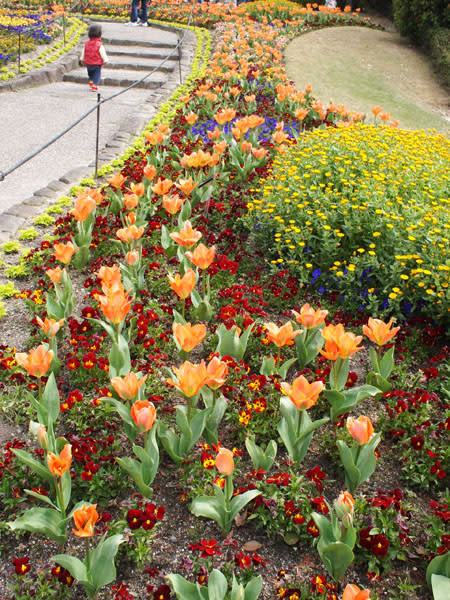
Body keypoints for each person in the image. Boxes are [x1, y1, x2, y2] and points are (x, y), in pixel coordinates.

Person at [80, 24, 109, 92]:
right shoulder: (99, 44)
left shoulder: (86, 44)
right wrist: (106, 60)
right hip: (96, 63)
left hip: (88, 63)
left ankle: (91, 81)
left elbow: (83, 52)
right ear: (100, 34)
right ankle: (94, 85)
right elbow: (103, 53)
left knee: (90, 73)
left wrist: (82, 59)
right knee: (96, 75)